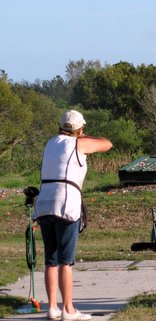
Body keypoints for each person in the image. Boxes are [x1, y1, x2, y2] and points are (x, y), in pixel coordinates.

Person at [33, 110, 113, 321]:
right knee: (65, 261)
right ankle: (68, 309)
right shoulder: (79, 143)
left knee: (50, 260)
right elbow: (107, 143)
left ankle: (52, 308)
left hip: (44, 202)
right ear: (80, 129)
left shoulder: (50, 143)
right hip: (66, 203)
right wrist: (83, 137)